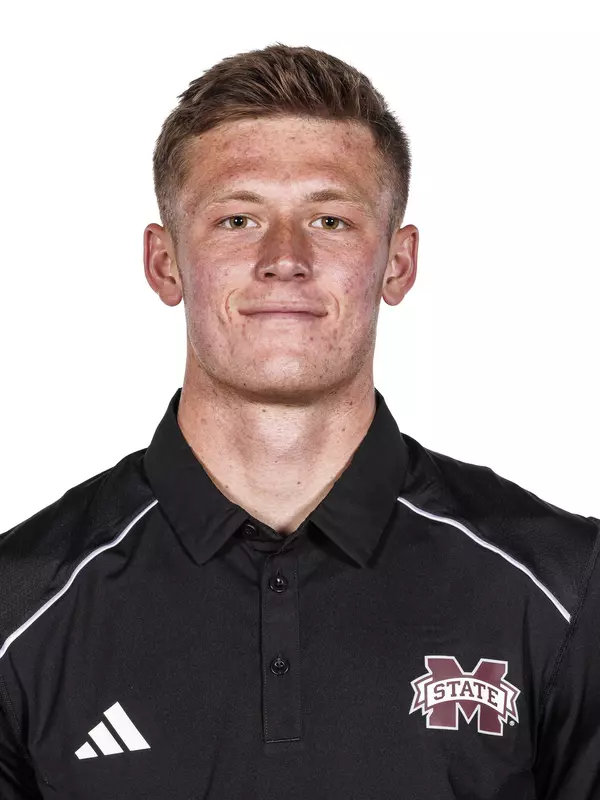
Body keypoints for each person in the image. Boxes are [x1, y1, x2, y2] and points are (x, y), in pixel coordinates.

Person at [0, 42, 598, 800]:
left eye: (330, 219)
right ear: (165, 262)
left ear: (398, 263)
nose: (286, 258)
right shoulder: (19, 612)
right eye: (239, 218)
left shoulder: (566, 590)